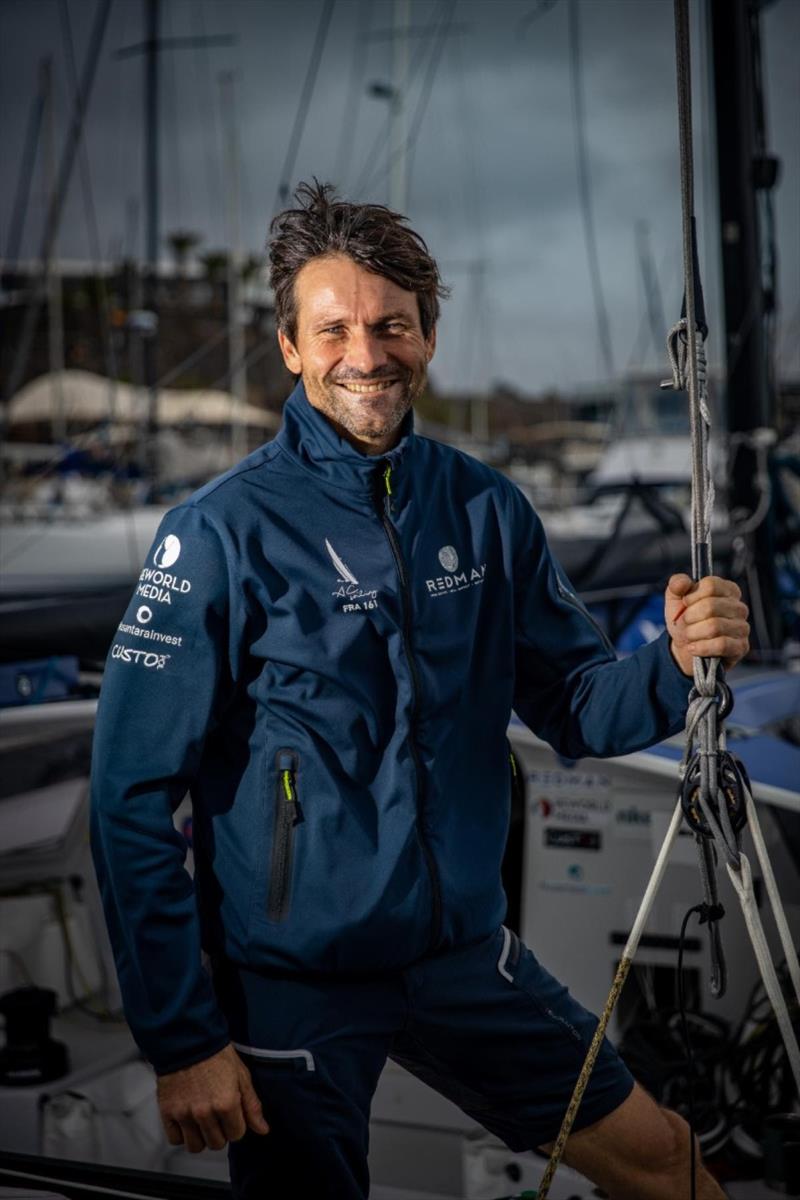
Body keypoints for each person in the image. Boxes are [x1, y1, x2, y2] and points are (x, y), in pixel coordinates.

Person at [91, 181, 750, 1200]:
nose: (365, 354)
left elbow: (575, 703)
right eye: (335, 329)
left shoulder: (484, 508)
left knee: (660, 1159)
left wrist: (672, 664)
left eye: (391, 325)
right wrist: (183, 1040)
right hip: (290, 989)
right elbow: (129, 798)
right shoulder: (216, 534)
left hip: (459, 957)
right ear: (290, 348)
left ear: (427, 337)